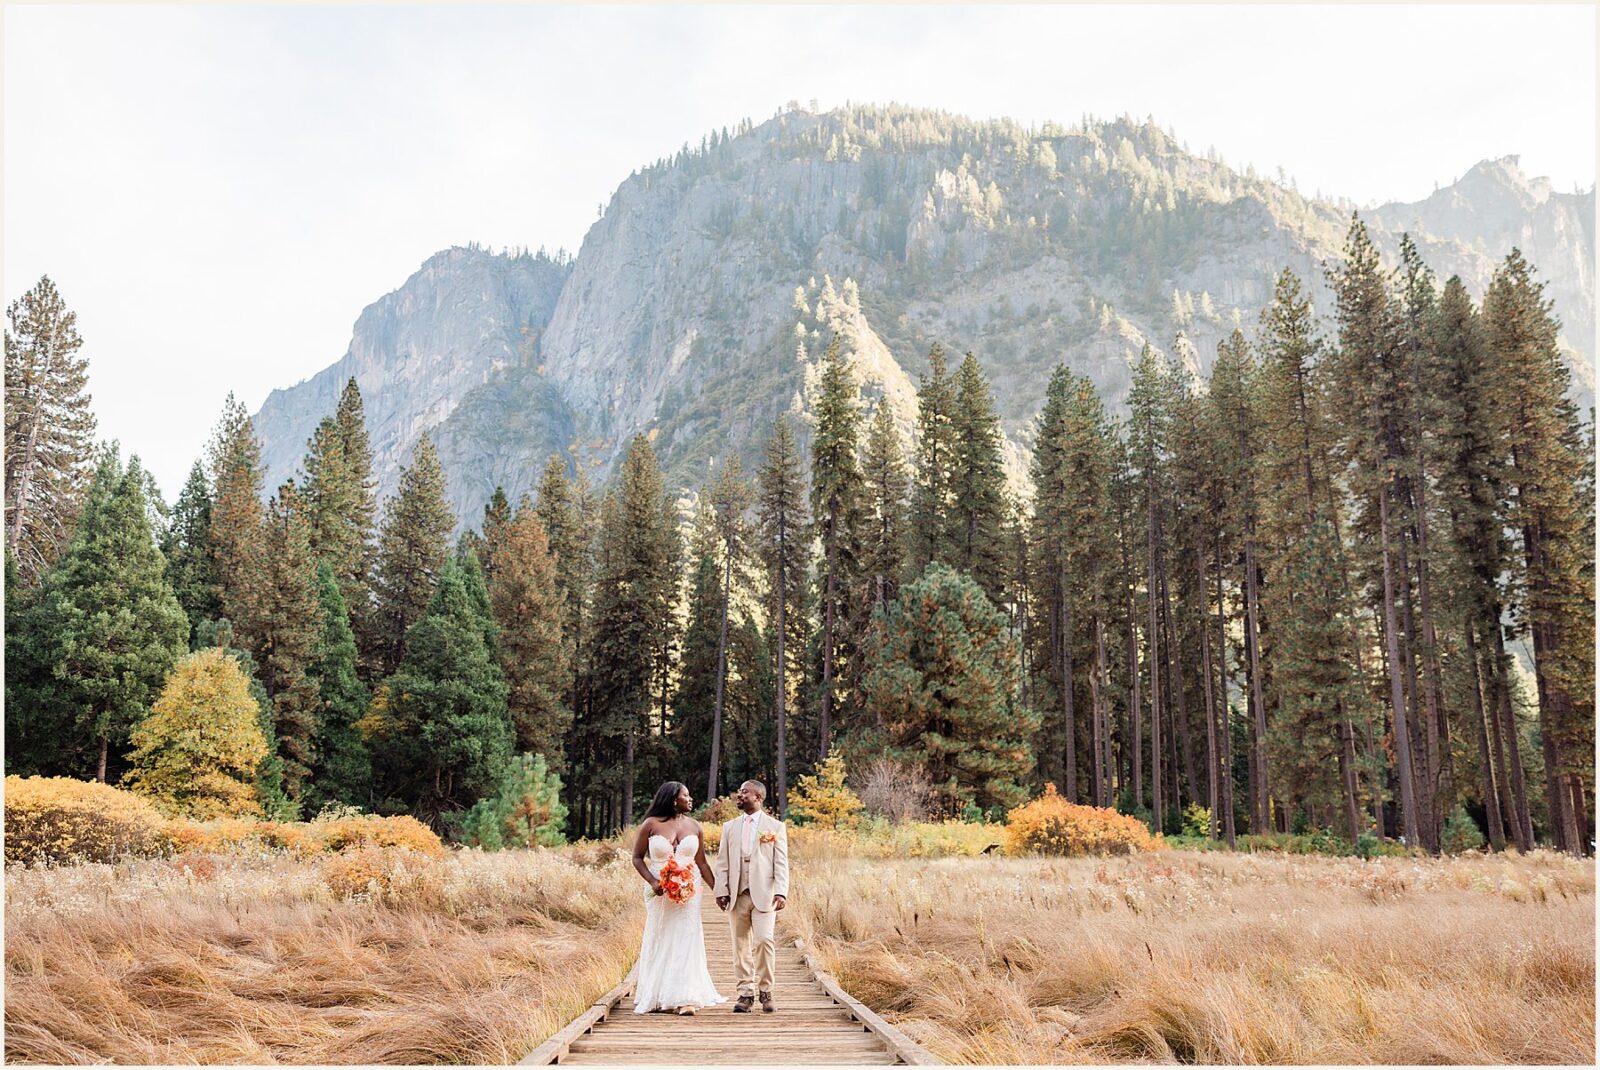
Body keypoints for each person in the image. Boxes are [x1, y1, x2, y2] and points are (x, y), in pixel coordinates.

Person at [629, 781, 728, 1015]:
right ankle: (656, 993)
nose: (691, 798)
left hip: (688, 892)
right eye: (686, 795)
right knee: (660, 936)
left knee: (686, 937)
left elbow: (702, 863)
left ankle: (685, 997)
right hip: (658, 892)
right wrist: (653, 882)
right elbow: (636, 858)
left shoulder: (695, 827)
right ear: (674, 799)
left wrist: (718, 890)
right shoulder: (651, 825)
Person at [712, 780, 789, 1013]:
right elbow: (722, 862)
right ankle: (745, 993)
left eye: (745, 792)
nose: (739, 795)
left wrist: (781, 891)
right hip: (737, 893)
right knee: (740, 944)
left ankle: (766, 990)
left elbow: (781, 862)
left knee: (764, 940)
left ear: (758, 797)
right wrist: (721, 890)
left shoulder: (774, 827)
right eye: (739, 792)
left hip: (765, 893)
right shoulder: (729, 827)